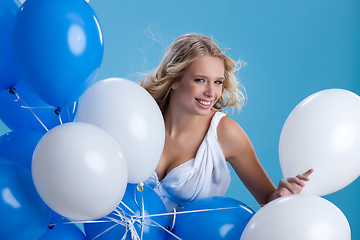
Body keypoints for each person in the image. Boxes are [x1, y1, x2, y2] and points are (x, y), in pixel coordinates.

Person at [140, 33, 313, 213]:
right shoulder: (141, 118)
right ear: (174, 80)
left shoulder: (226, 134)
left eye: (217, 82)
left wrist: (281, 196)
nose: (211, 92)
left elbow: (268, 200)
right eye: (200, 80)